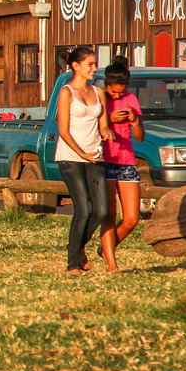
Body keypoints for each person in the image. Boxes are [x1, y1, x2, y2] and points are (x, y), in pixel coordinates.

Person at [56, 45, 110, 276]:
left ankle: (76, 247)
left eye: (95, 63)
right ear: (75, 66)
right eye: (90, 64)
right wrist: (83, 154)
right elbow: (64, 131)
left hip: (95, 156)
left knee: (100, 210)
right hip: (71, 157)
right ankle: (73, 264)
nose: (94, 68)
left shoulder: (98, 93)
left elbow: (103, 124)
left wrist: (107, 132)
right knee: (83, 209)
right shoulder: (66, 92)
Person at [99, 56, 144, 273]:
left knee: (132, 218)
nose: (117, 95)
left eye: (121, 92)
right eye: (114, 92)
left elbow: (141, 136)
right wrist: (109, 119)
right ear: (106, 85)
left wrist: (134, 121)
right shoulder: (99, 99)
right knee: (109, 213)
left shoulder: (131, 99)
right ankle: (111, 264)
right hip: (105, 160)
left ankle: (105, 249)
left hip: (127, 161)